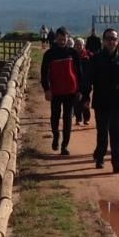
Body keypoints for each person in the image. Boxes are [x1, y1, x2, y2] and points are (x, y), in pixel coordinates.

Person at [89, 28, 119, 173]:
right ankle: (100, 157)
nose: (111, 41)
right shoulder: (96, 58)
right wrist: (84, 96)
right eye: (108, 38)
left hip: (118, 102)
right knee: (102, 132)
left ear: (117, 40)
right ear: (103, 41)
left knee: (115, 132)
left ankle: (117, 161)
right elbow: (89, 80)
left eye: (114, 39)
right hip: (101, 101)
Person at [40, 26, 81, 155]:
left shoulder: (73, 53)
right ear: (56, 39)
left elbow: (79, 72)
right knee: (55, 117)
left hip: (71, 91)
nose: (62, 42)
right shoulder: (49, 54)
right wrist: (46, 89)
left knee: (68, 118)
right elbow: (44, 73)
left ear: (68, 38)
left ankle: (65, 145)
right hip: (56, 91)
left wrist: (80, 90)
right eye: (60, 39)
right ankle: (56, 136)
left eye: (64, 39)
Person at [73, 37, 92, 126]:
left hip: (86, 83)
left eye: (80, 44)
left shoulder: (89, 56)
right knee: (77, 102)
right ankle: (78, 118)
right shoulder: (72, 55)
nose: (78, 46)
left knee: (86, 102)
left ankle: (86, 118)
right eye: (77, 45)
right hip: (75, 83)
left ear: (83, 45)